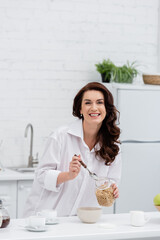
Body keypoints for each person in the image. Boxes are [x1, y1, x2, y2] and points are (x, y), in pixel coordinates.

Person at [23, 82, 121, 217]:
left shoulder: (112, 145)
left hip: (81, 221)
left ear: (106, 108)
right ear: (80, 109)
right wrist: (68, 175)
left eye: (99, 102)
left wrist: (112, 189)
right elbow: (41, 176)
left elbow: (112, 180)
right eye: (87, 103)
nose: (94, 108)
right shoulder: (61, 136)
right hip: (44, 218)